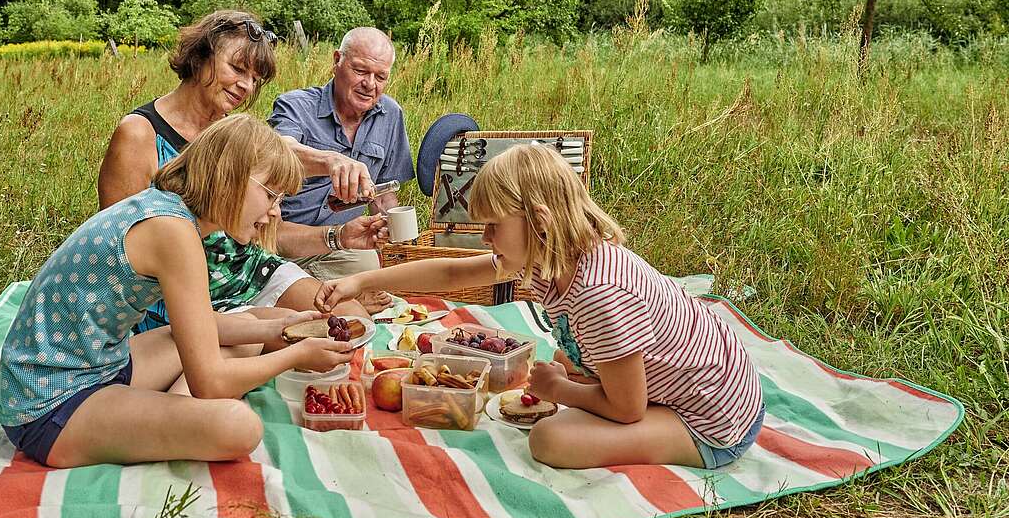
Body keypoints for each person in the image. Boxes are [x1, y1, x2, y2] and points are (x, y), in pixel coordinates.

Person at [316, 143, 764, 470]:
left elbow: (628, 409)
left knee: (550, 440)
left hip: (712, 423)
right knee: (572, 381)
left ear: (540, 220)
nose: (486, 239)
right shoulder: (558, 253)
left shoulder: (601, 294)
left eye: (493, 227)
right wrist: (361, 279)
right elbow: (452, 274)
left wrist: (560, 390)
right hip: (686, 386)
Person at [0, 114, 355, 468]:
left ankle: (169, 413)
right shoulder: (174, 233)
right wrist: (296, 355)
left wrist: (281, 331)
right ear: (231, 178)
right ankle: (173, 415)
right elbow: (209, 382)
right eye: (272, 195)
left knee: (257, 325)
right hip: (49, 404)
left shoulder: (170, 212)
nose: (276, 212)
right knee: (239, 427)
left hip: (99, 363)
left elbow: (199, 326)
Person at [96, 10, 390, 325]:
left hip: (247, 269)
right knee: (289, 336)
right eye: (237, 69)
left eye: (254, 78)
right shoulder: (140, 133)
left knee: (350, 319)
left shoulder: (233, 133)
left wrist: (339, 237)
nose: (246, 86)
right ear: (200, 57)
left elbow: (264, 233)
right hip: (176, 295)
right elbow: (118, 249)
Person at [269, 27, 413, 280]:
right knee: (322, 304)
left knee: (378, 294)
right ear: (337, 61)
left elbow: (383, 196)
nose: (369, 84)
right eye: (360, 71)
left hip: (344, 242)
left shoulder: (391, 115)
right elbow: (279, 150)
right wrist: (331, 160)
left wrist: (393, 233)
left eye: (380, 77)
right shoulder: (296, 105)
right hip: (283, 241)